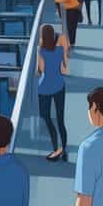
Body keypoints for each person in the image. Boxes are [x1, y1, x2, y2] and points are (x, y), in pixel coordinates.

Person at [36, 24, 69, 162]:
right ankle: (64, 150)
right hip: (59, 86)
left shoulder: (41, 50)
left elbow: (40, 70)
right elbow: (64, 68)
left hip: (44, 87)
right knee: (61, 120)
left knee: (46, 116)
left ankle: (56, 148)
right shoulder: (60, 50)